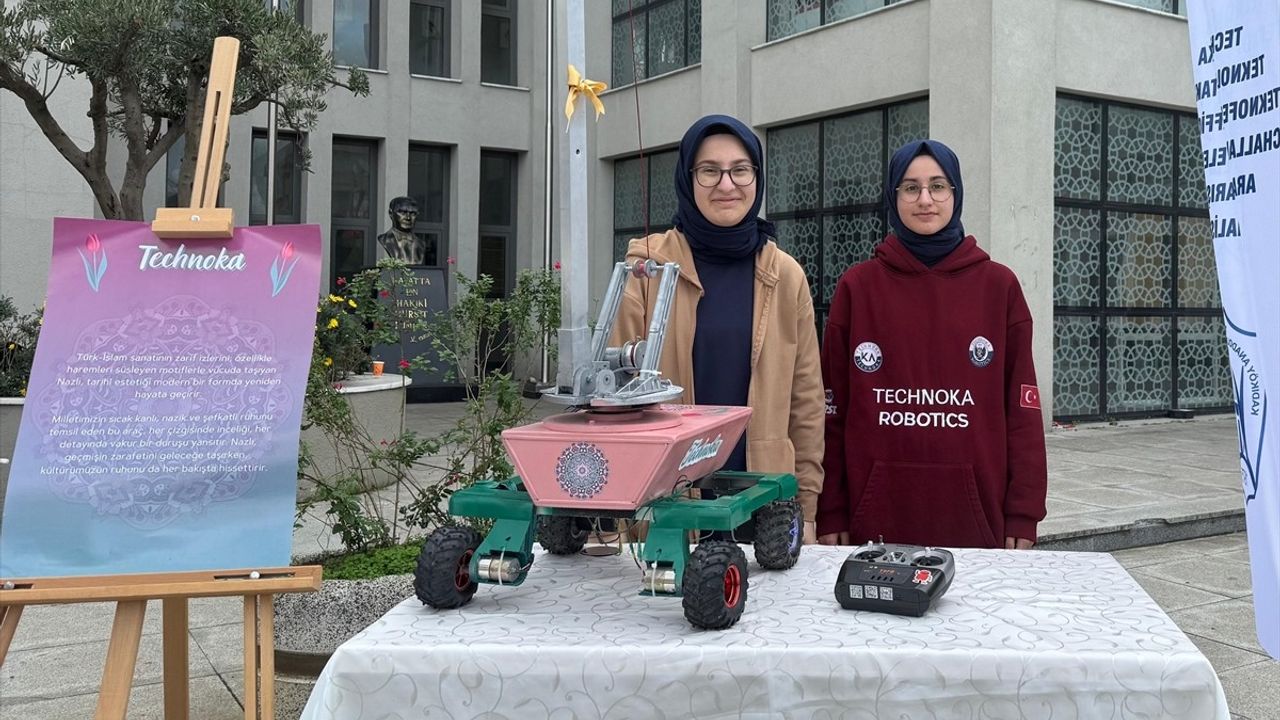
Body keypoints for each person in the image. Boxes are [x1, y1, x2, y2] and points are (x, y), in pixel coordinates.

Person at [816, 139, 1047, 550]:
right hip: (874, 523)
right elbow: (832, 412)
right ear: (894, 196)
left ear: (955, 194)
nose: (925, 199)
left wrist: (1024, 513)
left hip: (977, 523)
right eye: (911, 187)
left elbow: (1022, 413)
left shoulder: (999, 287)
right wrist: (831, 507)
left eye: (938, 186)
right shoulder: (857, 287)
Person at [612, 114, 824, 543]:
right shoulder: (646, 271)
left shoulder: (785, 275)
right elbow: (612, 402)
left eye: (740, 170)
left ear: (757, 178)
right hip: (667, 509)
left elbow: (806, 405)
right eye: (709, 171)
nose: (726, 185)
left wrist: (807, 510)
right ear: (687, 177)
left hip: (762, 505)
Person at [376, 196, 427, 265]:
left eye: (413, 213)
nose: (408, 218)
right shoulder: (384, 240)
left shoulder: (421, 244)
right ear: (391, 213)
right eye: (403, 213)